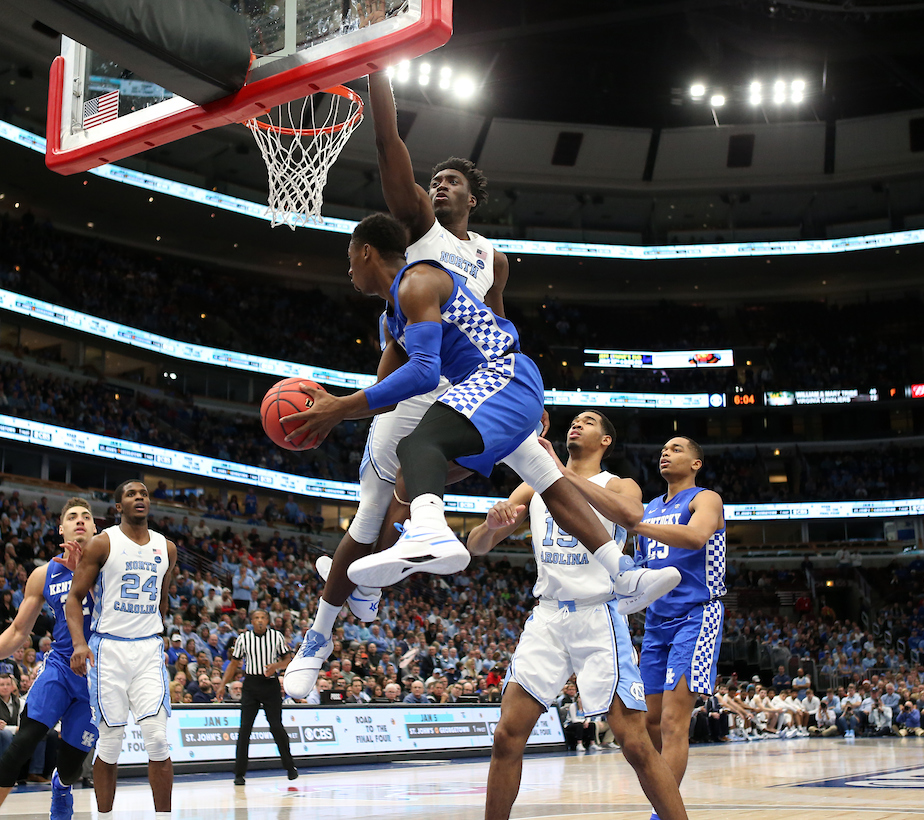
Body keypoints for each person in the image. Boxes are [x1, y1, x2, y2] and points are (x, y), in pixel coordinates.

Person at [288, 215, 677, 666]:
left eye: (349, 258)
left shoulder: (416, 281)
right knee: (548, 481)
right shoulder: (395, 314)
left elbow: (424, 373)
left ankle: (427, 533)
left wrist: (339, 406)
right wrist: (335, 414)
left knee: (417, 446)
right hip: (506, 390)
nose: (348, 269)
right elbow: (387, 396)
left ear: (365, 251)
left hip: (500, 377)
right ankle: (625, 574)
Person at [282, 67, 512, 698]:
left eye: (452, 181)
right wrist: (378, 80)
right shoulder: (418, 227)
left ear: (474, 197)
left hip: (467, 382)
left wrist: (515, 384)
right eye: (435, 180)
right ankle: (319, 637)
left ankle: (369, 579)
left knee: (433, 491)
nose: (439, 186)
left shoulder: (494, 258)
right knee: (373, 513)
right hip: (413, 379)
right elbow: (389, 150)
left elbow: (494, 325)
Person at [465, 411, 688, 820]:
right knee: (506, 737)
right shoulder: (533, 485)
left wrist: (560, 475)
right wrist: (491, 525)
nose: (576, 425)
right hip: (548, 616)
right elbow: (476, 546)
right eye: (574, 421)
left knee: (635, 742)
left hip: (597, 615)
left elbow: (632, 517)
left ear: (606, 441)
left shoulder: (618, 483)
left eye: (588, 422)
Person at [558, 435, 725, 819]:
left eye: (677, 449)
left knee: (671, 720)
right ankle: (664, 799)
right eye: (663, 448)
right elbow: (639, 567)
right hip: (656, 619)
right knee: (647, 721)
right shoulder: (650, 506)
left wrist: (638, 525)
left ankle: (661, 814)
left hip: (697, 615)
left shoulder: (705, 498)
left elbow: (697, 536)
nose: (666, 452)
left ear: (696, 463)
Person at [0, 498, 99, 820]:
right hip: (60, 668)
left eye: (86, 517)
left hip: (96, 676)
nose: (80, 521)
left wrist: (84, 574)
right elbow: (19, 630)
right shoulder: (43, 574)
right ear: (61, 528)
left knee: (70, 766)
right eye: (72, 517)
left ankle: (61, 787)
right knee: (23, 743)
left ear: (95, 529)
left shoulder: (109, 570)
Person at [66, 481, 177, 820]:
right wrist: (80, 644)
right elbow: (74, 598)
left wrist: (160, 632)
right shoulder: (103, 543)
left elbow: (163, 598)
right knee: (110, 743)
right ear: (118, 507)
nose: (139, 498)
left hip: (147, 650)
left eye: (143, 494)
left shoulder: (167, 548)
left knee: (157, 740)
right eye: (131, 494)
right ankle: (104, 816)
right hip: (108, 649)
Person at [219, 609, 297, 785]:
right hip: (251, 684)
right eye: (256, 618)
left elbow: (288, 659)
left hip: (270, 684)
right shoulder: (243, 639)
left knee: (276, 727)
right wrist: (223, 684)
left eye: (263, 617)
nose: (260, 620)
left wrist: (275, 666)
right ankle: (239, 774)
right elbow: (234, 663)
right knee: (245, 729)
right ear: (251, 621)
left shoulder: (276, 637)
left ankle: (290, 766)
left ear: (268, 620)